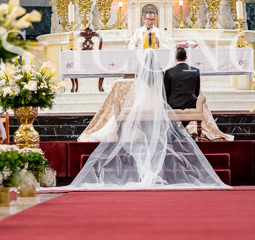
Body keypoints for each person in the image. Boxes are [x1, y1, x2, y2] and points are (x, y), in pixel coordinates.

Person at [63, 50, 227, 190]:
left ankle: (127, 135)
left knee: (126, 120)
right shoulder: (161, 71)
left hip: (142, 104)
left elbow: (137, 89)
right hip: (155, 104)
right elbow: (163, 91)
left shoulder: (141, 70)